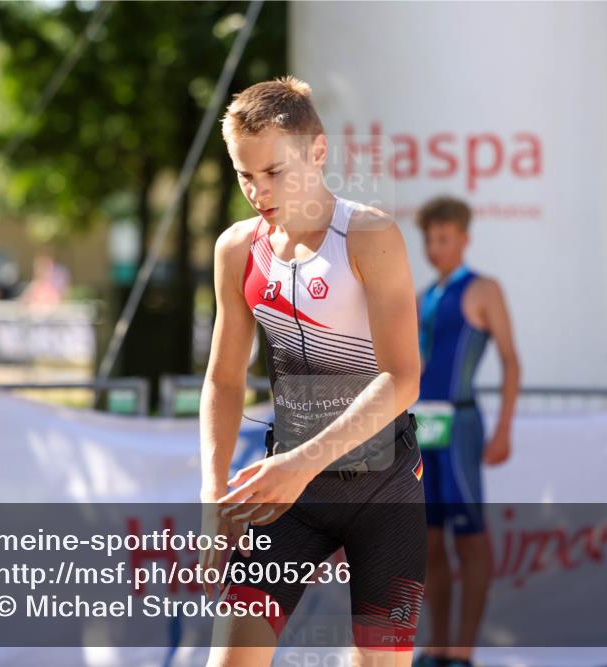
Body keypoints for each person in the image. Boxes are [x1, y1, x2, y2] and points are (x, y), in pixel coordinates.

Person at [198, 75, 426, 667]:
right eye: (244, 174)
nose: (257, 190)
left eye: (273, 172)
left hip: (384, 486)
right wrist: (213, 495)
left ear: (317, 151)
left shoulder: (370, 235)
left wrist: (301, 462)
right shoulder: (237, 249)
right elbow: (223, 379)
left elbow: (403, 378)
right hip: (287, 493)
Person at [412, 196, 520, 667]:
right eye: (429, 239)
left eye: (444, 238)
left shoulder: (484, 289)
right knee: (429, 539)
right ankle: (436, 647)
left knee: (470, 536)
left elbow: (511, 361)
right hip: (421, 424)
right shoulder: (422, 297)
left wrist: (504, 429)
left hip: (461, 424)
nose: (435, 248)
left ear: (464, 238)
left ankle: (463, 651)